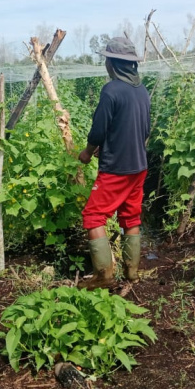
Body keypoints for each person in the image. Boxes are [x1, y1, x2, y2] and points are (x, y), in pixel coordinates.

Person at [77, 37, 151, 289]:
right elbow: (144, 130)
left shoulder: (111, 90)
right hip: (139, 166)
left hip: (116, 169)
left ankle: (103, 276)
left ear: (113, 63)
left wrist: (88, 152)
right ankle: (132, 273)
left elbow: (99, 130)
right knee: (131, 217)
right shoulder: (141, 90)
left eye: (107, 60)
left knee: (93, 216)